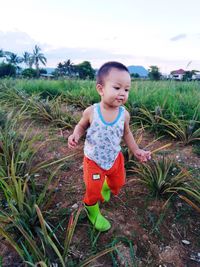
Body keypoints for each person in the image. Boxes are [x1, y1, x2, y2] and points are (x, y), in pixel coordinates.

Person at [68, 61, 151, 232]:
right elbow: (82, 126)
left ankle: (107, 184)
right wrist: (76, 134)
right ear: (101, 89)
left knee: (118, 183)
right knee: (93, 191)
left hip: (114, 158)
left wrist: (136, 150)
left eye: (126, 90)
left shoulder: (124, 114)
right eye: (117, 88)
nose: (122, 93)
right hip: (94, 161)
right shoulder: (91, 112)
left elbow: (126, 133)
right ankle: (92, 210)